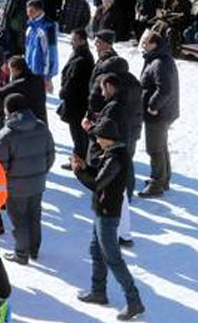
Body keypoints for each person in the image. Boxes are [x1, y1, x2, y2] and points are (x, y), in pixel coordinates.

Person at [72, 117, 145, 321]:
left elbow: (98, 183)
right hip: (101, 209)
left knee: (113, 258)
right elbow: (98, 174)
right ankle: (98, 291)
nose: (96, 139)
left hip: (108, 214)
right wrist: (85, 166)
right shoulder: (112, 154)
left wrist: (79, 172)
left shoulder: (115, 158)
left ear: (107, 138)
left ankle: (134, 301)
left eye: (98, 136)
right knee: (96, 251)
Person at [0, 94, 55, 265]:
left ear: (9, 110)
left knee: (18, 219)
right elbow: (50, 155)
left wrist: (3, 181)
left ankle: (21, 254)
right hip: (37, 182)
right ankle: (34, 250)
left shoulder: (6, 134)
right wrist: (41, 172)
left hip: (15, 186)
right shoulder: (41, 127)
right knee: (34, 215)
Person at [138, 31, 179, 198]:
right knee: (160, 146)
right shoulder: (156, 59)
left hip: (159, 113)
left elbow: (165, 89)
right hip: (163, 111)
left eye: (146, 43)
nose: (143, 45)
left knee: (154, 148)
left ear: (154, 44)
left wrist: (153, 105)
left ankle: (157, 182)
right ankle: (163, 179)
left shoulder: (160, 62)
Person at [58, 29, 95, 164]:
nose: (71, 42)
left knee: (78, 132)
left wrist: (64, 92)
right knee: (78, 132)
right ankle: (80, 156)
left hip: (77, 102)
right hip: (76, 101)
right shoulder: (80, 54)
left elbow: (74, 81)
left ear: (82, 40)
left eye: (74, 39)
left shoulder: (83, 58)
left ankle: (80, 159)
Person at [24, 0, 59, 93]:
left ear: (40, 10)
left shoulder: (48, 27)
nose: (29, 14)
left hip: (41, 71)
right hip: (30, 69)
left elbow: (51, 52)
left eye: (32, 11)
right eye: (27, 11)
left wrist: (48, 76)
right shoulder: (30, 27)